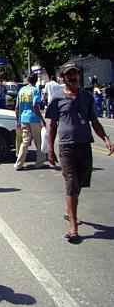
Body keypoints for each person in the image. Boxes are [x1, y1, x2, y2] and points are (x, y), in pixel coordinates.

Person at [46, 62, 113, 243]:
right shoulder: (57, 98)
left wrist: (106, 139)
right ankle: (73, 226)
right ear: (63, 78)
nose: (73, 77)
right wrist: (50, 149)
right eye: (69, 75)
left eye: (75, 74)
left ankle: (69, 211)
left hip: (85, 146)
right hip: (67, 147)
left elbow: (94, 121)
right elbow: (52, 125)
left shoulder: (87, 97)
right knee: (71, 183)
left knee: (80, 183)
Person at [14, 73, 47, 170]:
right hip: (34, 118)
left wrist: (18, 120)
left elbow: (16, 107)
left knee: (25, 142)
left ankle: (19, 164)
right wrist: (42, 119)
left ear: (28, 80)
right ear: (36, 81)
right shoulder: (36, 90)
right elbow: (35, 106)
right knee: (39, 141)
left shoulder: (21, 90)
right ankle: (39, 163)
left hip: (23, 119)